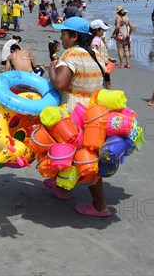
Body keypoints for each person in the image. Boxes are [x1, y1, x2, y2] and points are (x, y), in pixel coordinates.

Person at [48, 17, 110, 217]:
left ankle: (101, 206)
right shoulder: (96, 54)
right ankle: (63, 188)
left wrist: (52, 67)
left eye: (64, 34)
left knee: (86, 159)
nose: (61, 37)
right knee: (78, 154)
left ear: (74, 36)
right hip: (95, 110)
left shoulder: (71, 54)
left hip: (75, 112)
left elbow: (60, 83)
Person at [90, 19, 116, 89]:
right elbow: (93, 49)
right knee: (106, 82)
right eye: (102, 30)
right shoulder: (96, 40)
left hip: (103, 64)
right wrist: (100, 60)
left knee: (106, 81)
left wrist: (109, 58)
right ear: (97, 30)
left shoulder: (97, 38)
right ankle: (106, 94)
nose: (104, 31)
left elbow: (100, 51)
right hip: (101, 65)